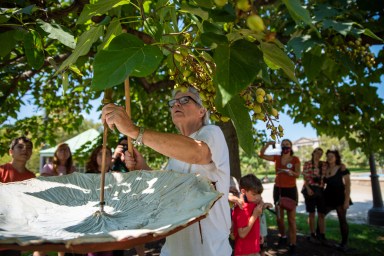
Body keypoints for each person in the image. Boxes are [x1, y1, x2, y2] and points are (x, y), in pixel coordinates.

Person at [102, 86, 232, 256]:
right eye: (173, 102)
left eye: (185, 100)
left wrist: (134, 131)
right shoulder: (174, 153)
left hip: (210, 251)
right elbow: (164, 189)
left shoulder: (213, 132)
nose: (177, 104)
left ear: (202, 111)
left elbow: (197, 152)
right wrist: (143, 167)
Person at [259, 140, 300, 256]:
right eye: (283, 144)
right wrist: (267, 144)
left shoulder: (295, 159)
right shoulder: (277, 158)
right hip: (278, 190)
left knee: (291, 220)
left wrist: (291, 173)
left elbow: (298, 174)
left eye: (287, 144)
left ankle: (293, 244)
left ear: (291, 147)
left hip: (291, 190)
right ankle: (283, 236)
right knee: (279, 217)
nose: (285, 146)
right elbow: (261, 155)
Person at [0, 136, 35, 256]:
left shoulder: (32, 178)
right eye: (20, 147)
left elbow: (31, 208)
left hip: (16, 233)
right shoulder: (1, 171)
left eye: (29, 148)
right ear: (11, 152)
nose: (25, 149)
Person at [323, 150, 352, 252]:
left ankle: (344, 244)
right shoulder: (325, 168)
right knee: (321, 215)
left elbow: (348, 185)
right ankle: (320, 237)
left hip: (340, 197)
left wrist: (347, 200)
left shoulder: (341, 168)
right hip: (328, 197)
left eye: (332, 156)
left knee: (342, 220)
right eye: (328, 156)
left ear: (336, 157)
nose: (330, 157)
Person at [232, 174, 264, 256]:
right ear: (243, 192)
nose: (257, 197)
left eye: (259, 194)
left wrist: (258, 234)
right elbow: (242, 234)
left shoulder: (252, 205)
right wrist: (254, 215)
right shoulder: (242, 209)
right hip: (244, 252)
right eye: (254, 194)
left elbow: (253, 225)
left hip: (254, 249)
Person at [301, 147, 326, 243]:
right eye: (317, 153)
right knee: (311, 213)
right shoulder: (307, 164)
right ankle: (312, 234)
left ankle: (322, 234)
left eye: (321, 153)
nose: (318, 155)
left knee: (321, 214)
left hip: (320, 190)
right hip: (310, 189)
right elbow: (305, 178)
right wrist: (307, 188)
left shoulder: (323, 164)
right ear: (313, 153)